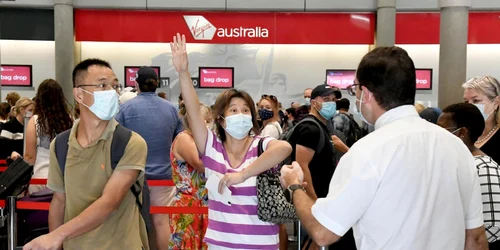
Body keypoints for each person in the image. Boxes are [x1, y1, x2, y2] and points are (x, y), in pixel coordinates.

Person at [280, 46, 487, 250]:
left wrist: (294, 185)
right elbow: (476, 237)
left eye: (356, 89)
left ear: (367, 94)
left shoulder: (367, 151)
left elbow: (322, 232)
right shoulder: (458, 148)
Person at [171, 33, 292, 249]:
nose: (241, 114)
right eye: (234, 110)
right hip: (221, 244)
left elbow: (284, 147)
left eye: (246, 110)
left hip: (261, 243)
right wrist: (183, 73)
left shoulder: (261, 145)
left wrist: (242, 175)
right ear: (222, 119)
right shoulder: (211, 148)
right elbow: (193, 110)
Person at [23, 58, 149, 250]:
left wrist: (57, 235)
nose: (112, 92)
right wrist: (55, 243)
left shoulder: (129, 143)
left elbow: (109, 202)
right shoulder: (62, 145)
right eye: (102, 85)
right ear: (79, 94)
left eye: (115, 86)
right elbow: (59, 201)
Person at [116, 66, 183, 250]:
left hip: (134, 177)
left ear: (136, 84)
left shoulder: (125, 109)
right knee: (161, 222)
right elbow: (181, 141)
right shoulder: (172, 109)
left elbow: (115, 142)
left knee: (135, 222)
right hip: (165, 178)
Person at [287, 84, 355, 249]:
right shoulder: (309, 128)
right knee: (313, 241)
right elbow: (302, 167)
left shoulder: (321, 126)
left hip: (323, 197)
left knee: (317, 242)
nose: (331, 103)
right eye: (326, 99)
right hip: (315, 198)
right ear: (314, 103)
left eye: (333, 100)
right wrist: (313, 202)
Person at [437, 102, 500, 248]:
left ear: (462, 132)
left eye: (442, 129)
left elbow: (492, 227)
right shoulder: (457, 162)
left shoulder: (485, 168)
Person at [169, 103, 211, 250]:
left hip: (204, 203)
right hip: (188, 205)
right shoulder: (184, 139)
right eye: (205, 120)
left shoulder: (201, 141)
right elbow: (201, 165)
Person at [24, 79, 74, 194]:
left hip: (40, 178)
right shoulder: (70, 120)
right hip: (64, 178)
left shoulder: (35, 121)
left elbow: (29, 156)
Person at [463, 76, 500, 163]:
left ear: (496, 102)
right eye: (466, 102)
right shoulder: (461, 133)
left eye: (476, 100)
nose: (469, 106)